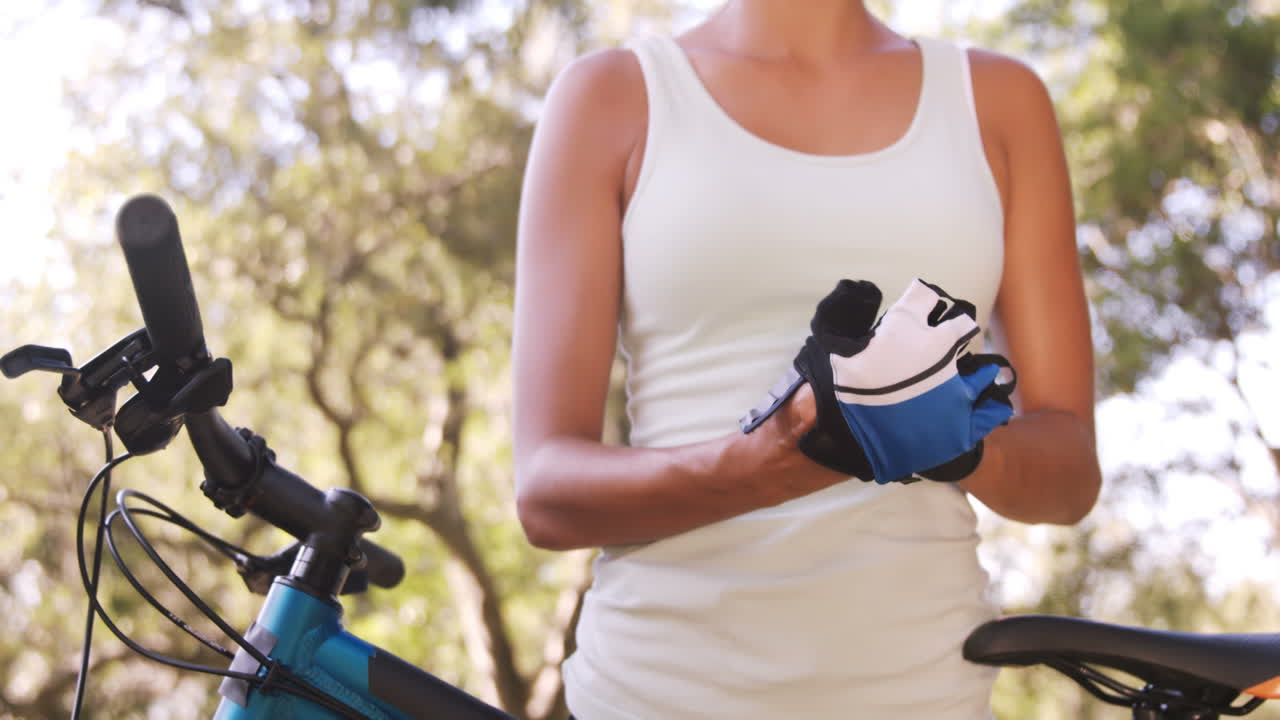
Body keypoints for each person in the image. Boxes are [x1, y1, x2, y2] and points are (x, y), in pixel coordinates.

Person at [512, 0, 1102, 717]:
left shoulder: (999, 103)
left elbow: (1070, 475)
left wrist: (954, 440)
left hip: (922, 695)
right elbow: (545, 493)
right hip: (657, 693)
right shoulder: (611, 96)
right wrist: (772, 456)